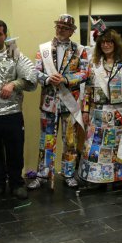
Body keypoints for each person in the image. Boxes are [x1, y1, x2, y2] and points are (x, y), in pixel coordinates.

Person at [79, 28, 122, 188]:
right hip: (99, 113)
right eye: (103, 42)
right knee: (101, 147)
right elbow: (88, 89)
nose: (106, 45)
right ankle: (101, 179)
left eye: (109, 42)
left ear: (116, 43)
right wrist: (85, 110)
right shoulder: (93, 63)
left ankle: (119, 178)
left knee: (119, 146)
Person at [0, 20, 37, 200]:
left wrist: (13, 83)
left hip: (12, 114)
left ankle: (17, 183)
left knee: (15, 151)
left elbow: (32, 78)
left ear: (5, 35)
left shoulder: (15, 55)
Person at [29, 14, 89, 190]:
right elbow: (35, 72)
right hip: (49, 103)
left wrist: (66, 79)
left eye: (65, 28)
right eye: (59, 27)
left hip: (69, 104)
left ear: (71, 31)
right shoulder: (44, 49)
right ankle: (43, 174)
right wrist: (48, 79)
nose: (61, 30)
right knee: (46, 140)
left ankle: (69, 174)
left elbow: (85, 73)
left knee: (70, 141)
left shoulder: (80, 50)